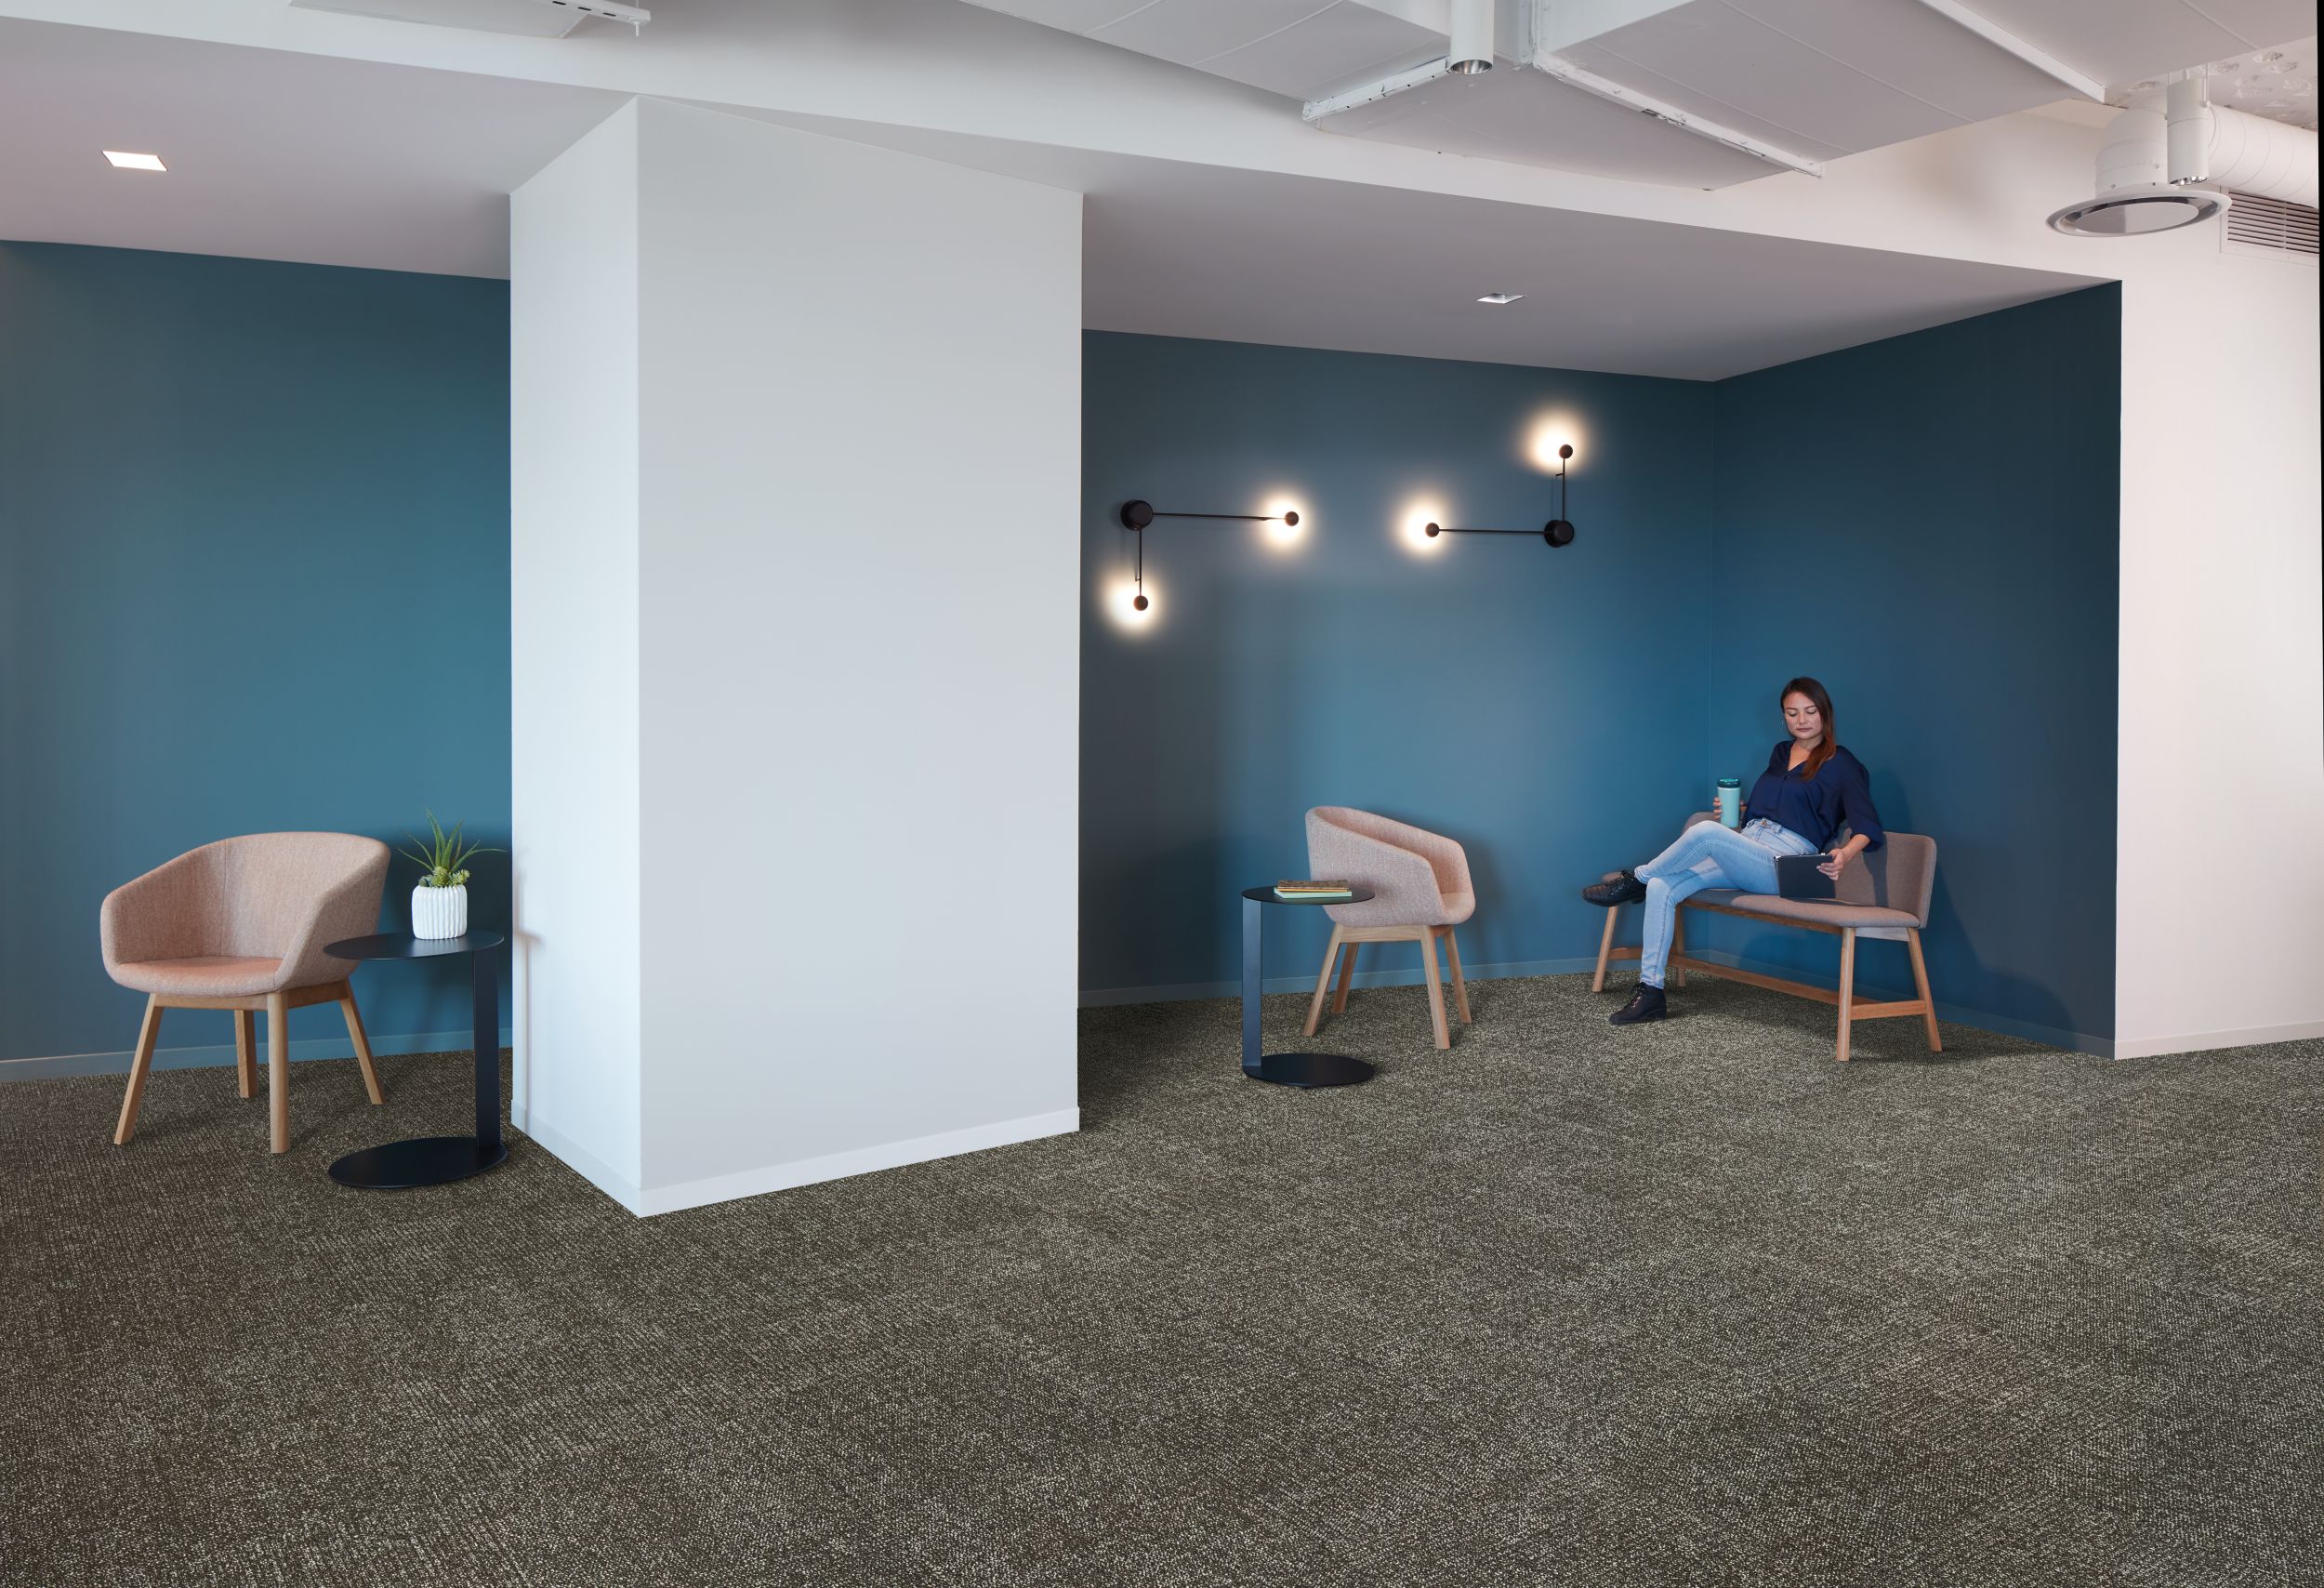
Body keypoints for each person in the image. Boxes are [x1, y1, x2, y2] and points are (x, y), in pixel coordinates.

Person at [1582, 676, 1884, 1026]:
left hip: (1786, 864)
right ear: (1784, 717)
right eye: (1792, 713)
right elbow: (1770, 809)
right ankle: (1651, 992)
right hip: (1752, 846)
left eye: (1810, 711)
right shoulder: (1781, 753)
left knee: (1705, 833)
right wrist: (1740, 812)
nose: (1801, 720)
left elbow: (1867, 826)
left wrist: (1845, 854)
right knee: (1663, 887)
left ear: (1825, 713)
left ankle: (1634, 879)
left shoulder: (1842, 763)